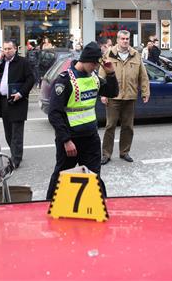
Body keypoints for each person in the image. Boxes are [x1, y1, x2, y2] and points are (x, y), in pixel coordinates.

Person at [46, 42, 119, 200]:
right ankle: (47, 205)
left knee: (93, 177)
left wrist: (111, 74)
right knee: (61, 176)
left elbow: (113, 92)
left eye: (96, 64)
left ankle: (97, 206)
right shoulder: (65, 80)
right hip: (70, 140)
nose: (94, 67)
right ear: (85, 60)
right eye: (93, 63)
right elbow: (54, 113)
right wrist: (66, 140)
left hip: (90, 138)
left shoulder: (94, 78)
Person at [99, 30, 150, 164]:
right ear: (117, 40)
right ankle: (106, 154)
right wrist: (103, 93)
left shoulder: (136, 55)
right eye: (122, 39)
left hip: (130, 96)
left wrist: (145, 92)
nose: (125, 41)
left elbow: (143, 76)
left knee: (128, 127)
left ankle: (124, 152)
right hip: (113, 97)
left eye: (127, 39)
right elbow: (101, 75)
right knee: (110, 126)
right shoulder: (108, 54)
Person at [0, 40, 35, 168]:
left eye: (9, 48)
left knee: (17, 133)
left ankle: (16, 159)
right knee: (8, 132)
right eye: (4, 49)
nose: (7, 51)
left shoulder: (23, 62)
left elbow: (31, 79)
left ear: (15, 49)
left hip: (18, 100)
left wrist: (21, 93)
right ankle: (15, 153)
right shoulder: (2, 62)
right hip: (4, 101)